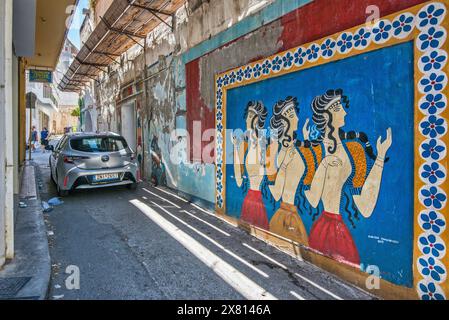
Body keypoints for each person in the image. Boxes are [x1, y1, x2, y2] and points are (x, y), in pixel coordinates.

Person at [304, 89, 393, 266]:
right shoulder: (317, 150)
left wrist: (381, 155)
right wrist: (321, 164)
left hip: (337, 229)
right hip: (325, 228)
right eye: (337, 107)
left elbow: (365, 207)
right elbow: (313, 200)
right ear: (326, 116)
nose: (344, 111)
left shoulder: (354, 150)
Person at [267, 97, 309, 246]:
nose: (297, 118)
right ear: (283, 123)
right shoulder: (280, 151)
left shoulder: (296, 147)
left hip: (295, 214)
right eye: (292, 114)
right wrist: (283, 167)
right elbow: (276, 194)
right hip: (285, 216)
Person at [232, 101, 270, 230]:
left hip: (255, 201)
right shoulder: (248, 145)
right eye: (247, 115)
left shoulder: (262, 144)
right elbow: (238, 180)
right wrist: (236, 148)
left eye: (251, 115)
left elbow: (239, 179)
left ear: (257, 120)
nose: (247, 119)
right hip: (250, 199)